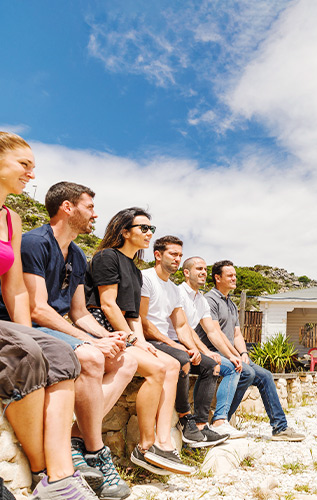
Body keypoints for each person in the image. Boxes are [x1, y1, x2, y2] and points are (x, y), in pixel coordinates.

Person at [0, 181, 138, 500]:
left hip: (57, 327)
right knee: (90, 358)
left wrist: (109, 337)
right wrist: (91, 343)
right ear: (67, 207)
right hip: (26, 324)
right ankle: (94, 452)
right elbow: (36, 308)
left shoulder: (76, 253)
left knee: (126, 359)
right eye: (89, 206)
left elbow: (79, 312)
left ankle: (75, 440)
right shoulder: (35, 242)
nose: (95, 214)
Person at [0, 131, 97, 500]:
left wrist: (27, 336)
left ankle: (60, 478)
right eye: (24, 164)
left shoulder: (11, 220)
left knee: (57, 354)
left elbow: (16, 290)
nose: (31, 174)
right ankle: (45, 472)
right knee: (34, 352)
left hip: (8, 323)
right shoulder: (38, 242)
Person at [84, 208, 193, 475]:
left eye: (150, 229)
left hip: (124, 330)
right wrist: (134, 339)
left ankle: (163, 442)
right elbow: (108, 306)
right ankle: (145, 446)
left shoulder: (133, 269)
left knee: (171, 365)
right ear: (124, 231)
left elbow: (133, 315)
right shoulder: (107, 257)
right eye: (143, 228)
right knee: (158, 369)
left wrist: (141, 341)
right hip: (102, 329)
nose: (148, 233)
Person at [196, 260, 305, 442]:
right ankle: (220, 422)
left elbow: (237, 334)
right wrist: (234, 356)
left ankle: (280, 427)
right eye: (229, 275)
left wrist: (244, 353)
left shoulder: (231, 303)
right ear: (217, 278)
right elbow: (216, 334)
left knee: (266, 376)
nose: (234, 278)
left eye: (235, 275)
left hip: (230, 352)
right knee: (246, 372)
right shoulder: (210, 300)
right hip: (214, 351)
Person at [139, 236, 228, 448]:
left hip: (166, 341)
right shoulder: (145, 278)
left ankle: (199, 424)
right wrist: (176, 346)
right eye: (173, 254)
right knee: (182, 360)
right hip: (148, 339)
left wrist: (192, 347)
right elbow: (141, 320)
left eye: (180, 255)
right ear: (158, 255)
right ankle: (185, 419)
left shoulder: (172, 289)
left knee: (211, 365)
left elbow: (181, 326)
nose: (178, 259)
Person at [179, 257, 245, 439]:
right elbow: (184, 329)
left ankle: (205, 424)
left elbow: (212, 331)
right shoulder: (179, 293)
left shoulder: (200, 299)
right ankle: (212, 422)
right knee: (214, 365)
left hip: (191, 345)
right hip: (178, 344)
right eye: (199, 268)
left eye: (205, 269)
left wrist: (232, 355)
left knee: (229, 366)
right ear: (186, 272)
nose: (203, 272)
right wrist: (206, 352)